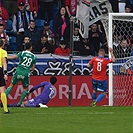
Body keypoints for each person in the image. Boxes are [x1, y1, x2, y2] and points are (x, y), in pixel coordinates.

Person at [5, 42, 36, 107]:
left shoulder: (22, 53)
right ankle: (19, 103)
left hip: (18, 71)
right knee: (25, 88)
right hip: (25, 73)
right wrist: (28, 69)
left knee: (11, 85)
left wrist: (5, 57)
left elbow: (13, 57)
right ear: (31, 47)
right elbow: (33, 68)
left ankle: (3, 100)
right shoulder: (33, 56)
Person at [0, 39, 10, 114]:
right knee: (2, 90)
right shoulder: (3, 52)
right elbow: (4, 62)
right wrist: (5, 72)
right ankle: (5, 109)